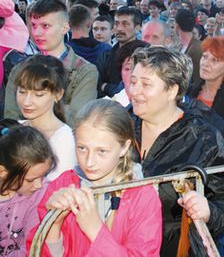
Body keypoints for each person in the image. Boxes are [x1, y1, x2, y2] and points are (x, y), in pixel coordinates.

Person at [129, 46, 224, 255]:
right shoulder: (120, 126)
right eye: (133, 81)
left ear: (172, 90)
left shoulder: (202, 137)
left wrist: (209, 211)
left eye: (146, 84)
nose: (134, 91)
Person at [34, 100, 162, 256]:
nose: (89, 161)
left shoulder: (143, 197)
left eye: (101, 151)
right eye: (82, 148)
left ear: (124, 147)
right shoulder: (62, 185)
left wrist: (95, 230)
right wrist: (53, 224)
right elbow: (36, 250)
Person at [5, 0, 99, 125]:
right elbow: (11, 120)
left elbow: (77, 121)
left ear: (65, 28)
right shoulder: (19, 68)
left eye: (45, 26)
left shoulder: (85, 71)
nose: (37, 32)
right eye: (33, 25)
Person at [14, 55, 76, 180]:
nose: (27, 102)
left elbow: (57, 189)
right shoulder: (12, 127)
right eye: (22, 92)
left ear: (58, 94)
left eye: (38, 94)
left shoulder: (65, 139)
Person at [0, 124, 56, 257]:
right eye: (31, 180)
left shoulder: (41, 196)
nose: (38, 185)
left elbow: (32, 248)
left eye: (43, 176)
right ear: (3, 172)